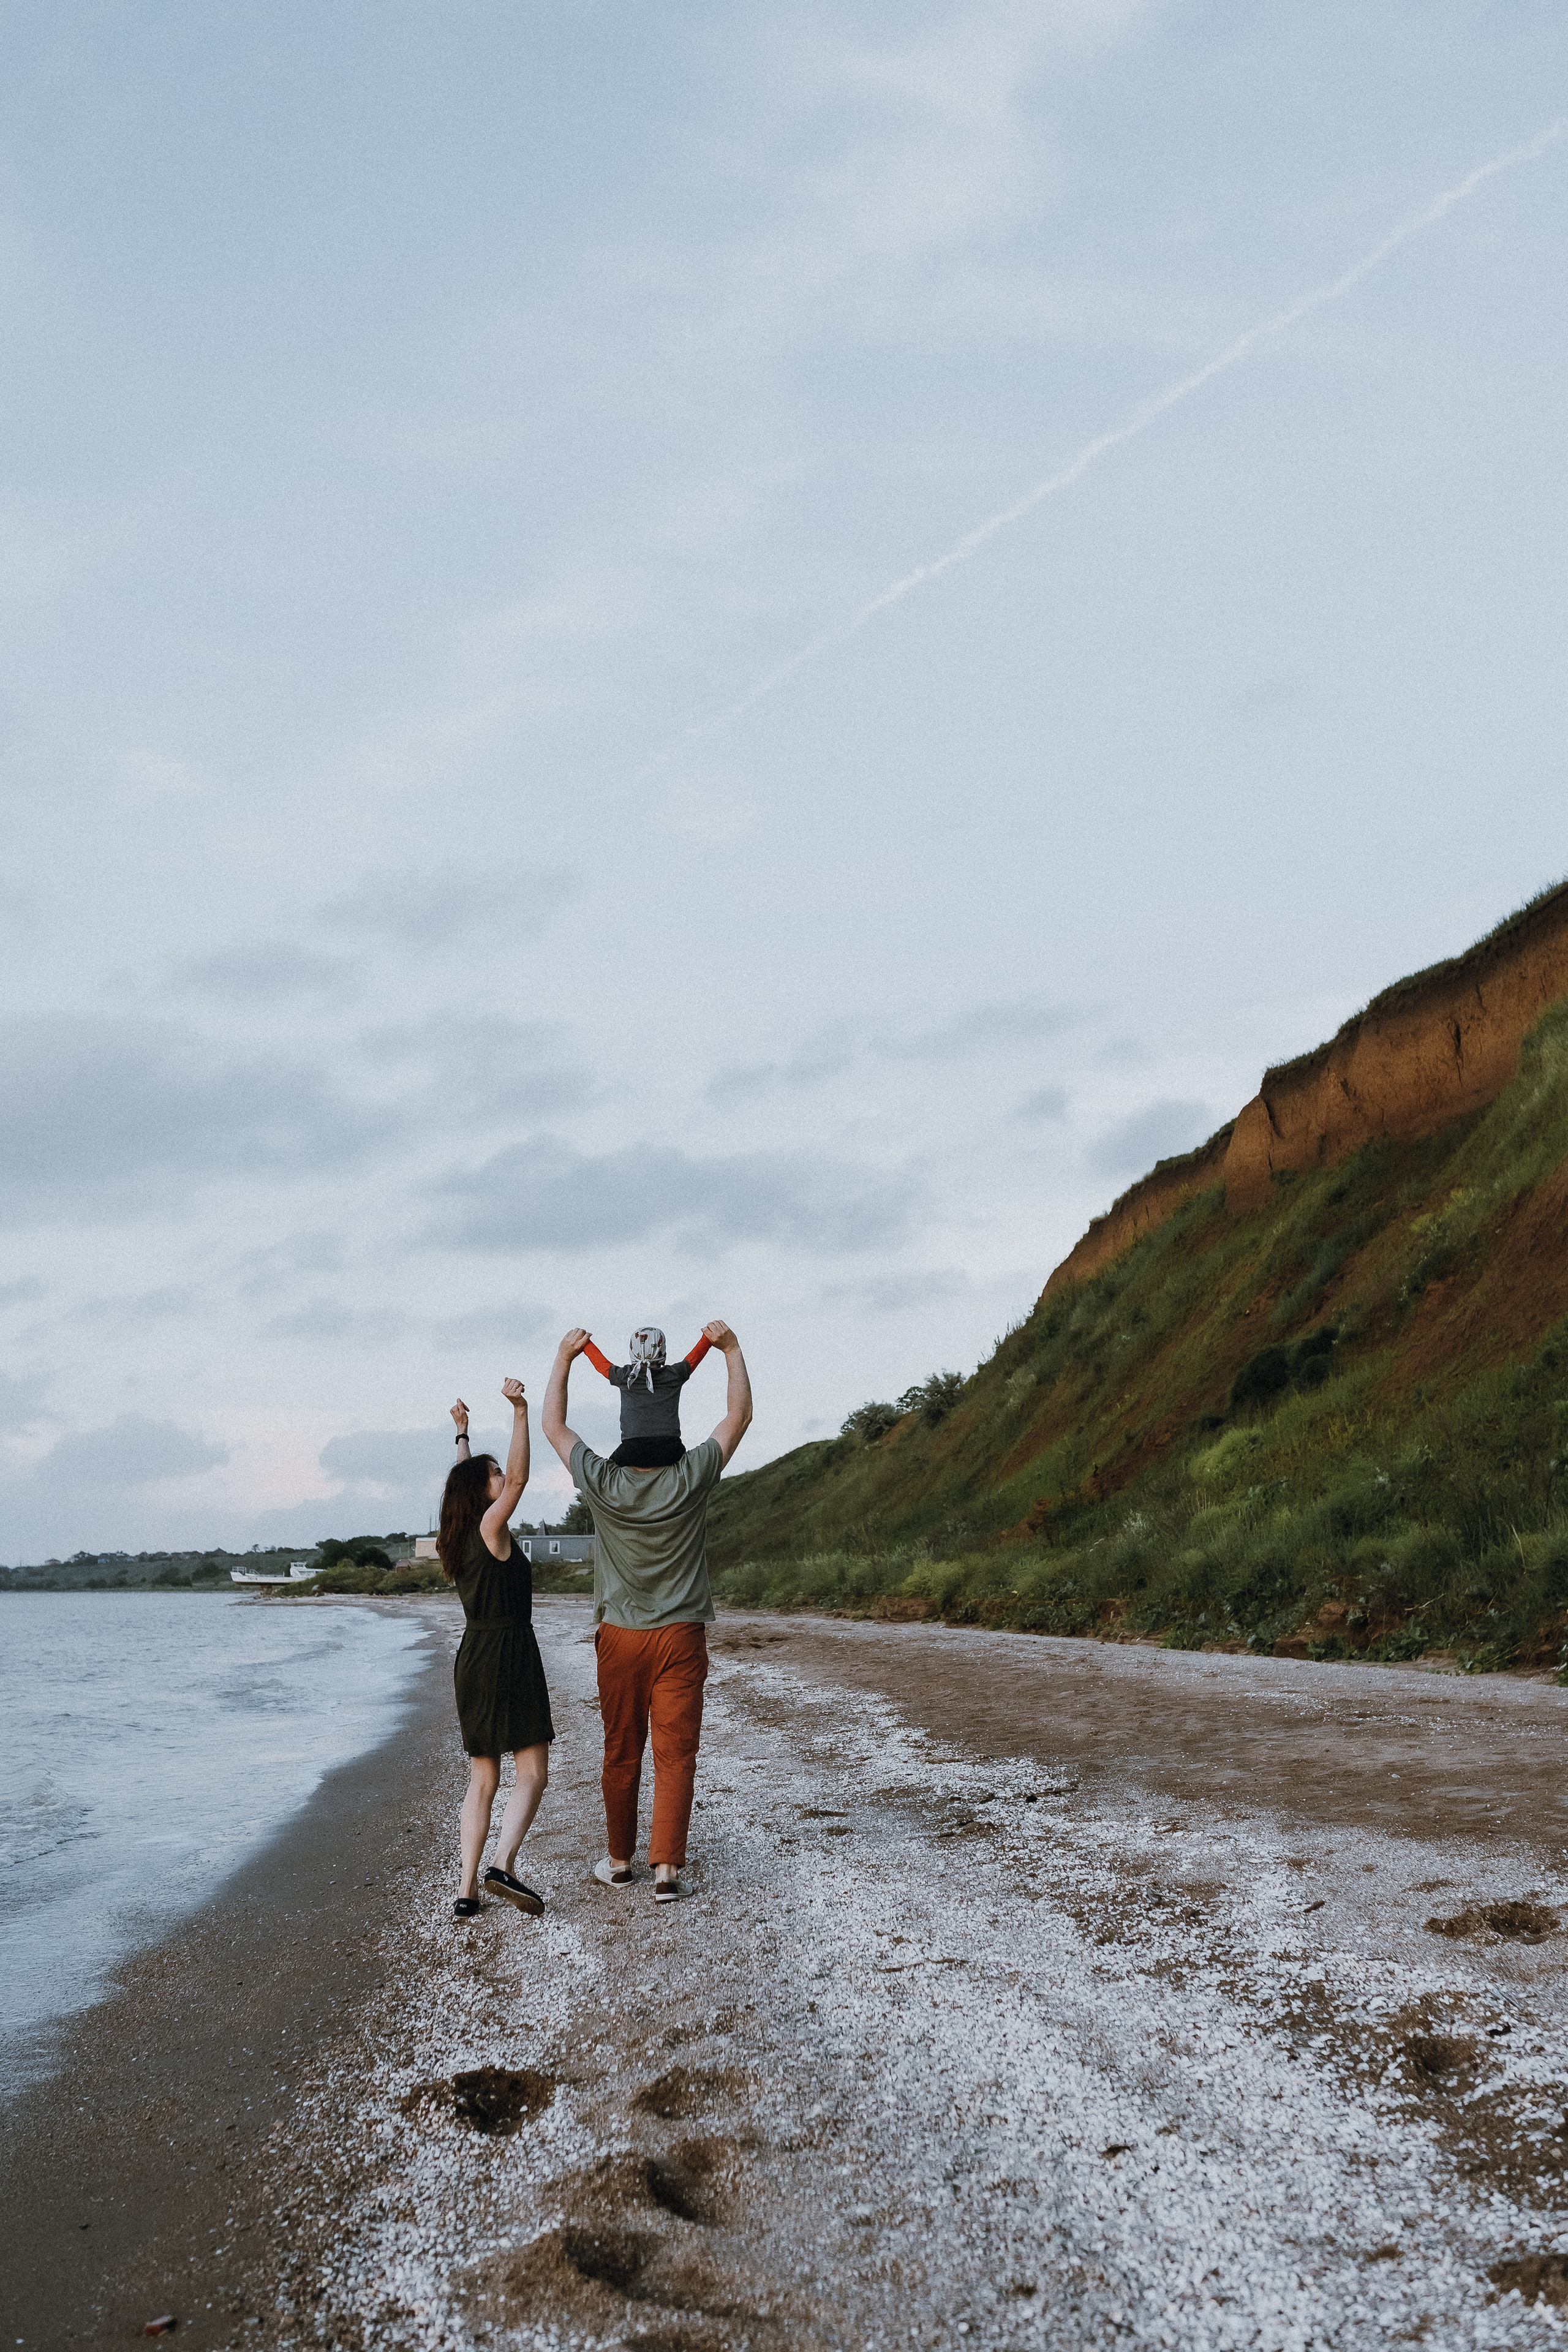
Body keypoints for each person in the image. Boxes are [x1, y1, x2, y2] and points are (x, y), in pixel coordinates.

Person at [540, 1319, 752, 1903]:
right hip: (681, 1634)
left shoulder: (603, 1481)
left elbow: (553, 1426)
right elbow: (738, 1418)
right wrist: (731, 1350)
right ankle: (666, 1872)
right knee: (676, 1753)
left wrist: (565, 1357)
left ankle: (618, 1862)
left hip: (621, 1638)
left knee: (622, 1750)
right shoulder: (691, 1477)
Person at [441, 1379, 553, 1921]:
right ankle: (503, 1863)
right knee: (532, 1771)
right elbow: (522, 1477)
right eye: (493, 1475)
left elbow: (468, 1479)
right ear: (481, 1493)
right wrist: (521, 1412)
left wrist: (463, 1435)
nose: (501, 1478)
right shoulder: (491, 1526)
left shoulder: (458, 1536)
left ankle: (467, 1890)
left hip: (473, 1657)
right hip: (511, 1651)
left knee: (482, 1780)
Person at [581, 1326, 714, 1464]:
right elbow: (694, 1357)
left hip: (633, 1449)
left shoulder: (625, 1376)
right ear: (662, 1349)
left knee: (610, 1470)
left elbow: (601, 1363)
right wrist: (707, 1339)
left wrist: (585, 1344)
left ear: (633, 1350)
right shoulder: (676, 1374)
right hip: (670, 1449)